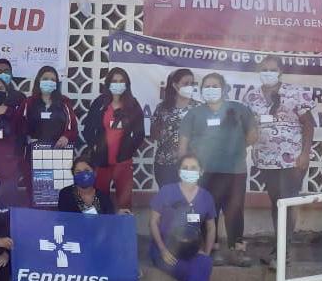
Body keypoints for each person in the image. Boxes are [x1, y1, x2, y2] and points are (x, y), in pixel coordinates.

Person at [242, 56, 316, 269]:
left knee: (287, 202)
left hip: (292, 159)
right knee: (277, 204)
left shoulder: (295, 92)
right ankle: (279, 248)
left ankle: (283, 254)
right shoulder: (252, 97)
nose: (268, 72)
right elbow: (250, 127)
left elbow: (309, 124)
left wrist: (305, 154)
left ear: (280, 72)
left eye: (272, 69)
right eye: (264, 69)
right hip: (266, 159)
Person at [179, 73, 257, 267]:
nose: (211, 89)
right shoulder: (194, 113)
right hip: (206, 172)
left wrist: (234, 148)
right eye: (207, 86)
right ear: (202, 89)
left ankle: (236, 249)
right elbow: (183, 145)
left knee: (234, 210)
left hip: (235, 171)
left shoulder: (239, 110)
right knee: (207, 211)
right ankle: (211, 249)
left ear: (224, 88)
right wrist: (184, 169)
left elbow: (253, 136)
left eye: (215, 85)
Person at [149, 154, 217, 281]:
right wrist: (162, 249)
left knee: (204, 263)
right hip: (166, 252)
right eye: (185, 167)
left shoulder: (205, 197)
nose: (189, 171)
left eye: (194, 167)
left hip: (191, 252)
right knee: (200, 279)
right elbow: (152, 221)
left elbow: (211, 227)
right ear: (179, 171)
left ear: (201, 172)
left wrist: (207, 250)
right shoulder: (167, 191)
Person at [55, 156, 115, 281]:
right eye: (78, 172)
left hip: (98, 252)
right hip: (73, 250)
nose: (83, 175)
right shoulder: (66, 194)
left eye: (87, 170)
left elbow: (111, 224)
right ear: (73, 175)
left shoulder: (104, 196)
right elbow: (63, 222)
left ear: (94, 172)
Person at [82, 68, 145, 210]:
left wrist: (129, 150)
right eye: (115, 81)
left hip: (123, 162)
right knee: (99, 199)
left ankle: (122, 229)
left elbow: (140, 133)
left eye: (121, 81)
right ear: (109, 83)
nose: (118, 84)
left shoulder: (133, 105)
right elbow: (88, 129)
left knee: (124, 202)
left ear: (127, 84)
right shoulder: (100, 103)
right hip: (102, 161)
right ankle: (100, 229)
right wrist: (94, 146)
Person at [19, 66, 78, 201]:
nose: (49, 82)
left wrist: (66, 136)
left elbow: (73, 127)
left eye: (52, 79)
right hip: (34, 155)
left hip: (58, 154)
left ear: (57, 83)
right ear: (38, 80)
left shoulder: (64, 102)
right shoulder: (29, 102)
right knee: (35, 194)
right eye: (45, 79)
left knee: (56, 194)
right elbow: (19, 126)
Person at [150, 69, 199, 187]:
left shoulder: (199, 108)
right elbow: (153, 135)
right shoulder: (162, 108)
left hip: (189, 166)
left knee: (186, 202)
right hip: (165, 164)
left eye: (192, 84)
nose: (189, 86)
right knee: (167, 201)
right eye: (185, 83)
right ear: (175, 85)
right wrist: (160, 128)